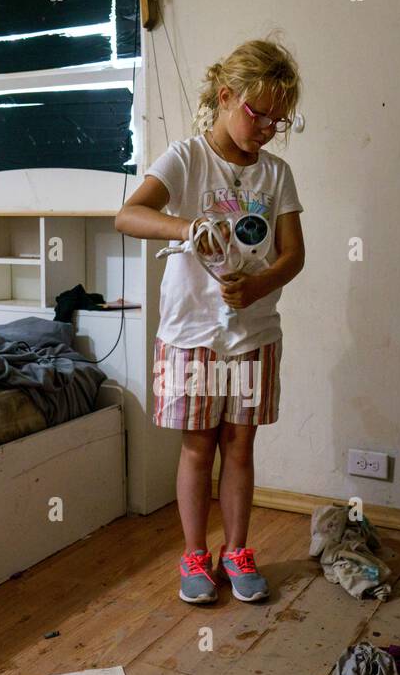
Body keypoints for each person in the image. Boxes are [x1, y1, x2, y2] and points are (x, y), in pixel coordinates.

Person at [115, 36, 305, 604]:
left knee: (240, 447)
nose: (268, 128)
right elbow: (128, 214)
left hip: (252, 336)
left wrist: (258, 286)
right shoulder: (187, 157)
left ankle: (239, 553)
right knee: (198, 446)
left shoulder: (276, 175)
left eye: (280, 119)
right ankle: (195, 557)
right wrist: (186, 228)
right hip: (192, 334)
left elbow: (292, 255)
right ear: (226, 96)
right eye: (259, 113)